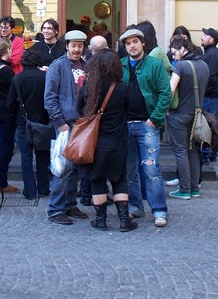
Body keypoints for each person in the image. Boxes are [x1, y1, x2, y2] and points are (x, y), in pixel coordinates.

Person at [77, 49, 137, 232]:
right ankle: (124, 221)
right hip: (118, 142)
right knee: (119, 180)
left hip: (96, 142)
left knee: (97, 179)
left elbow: (78, 108)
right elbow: (131, 109)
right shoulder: (121, 87)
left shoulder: (90, 86)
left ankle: (101, 220)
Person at [120, 27, 171, 227]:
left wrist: (154, 118)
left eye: (135, 42)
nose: (132, 46)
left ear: (143, 44)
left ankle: (159, 210)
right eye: (128, 43)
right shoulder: (120, 65)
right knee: (129, 170)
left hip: (146, 125)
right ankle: (135, 207)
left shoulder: (155, 65)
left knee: (151, 170)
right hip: (125, 125)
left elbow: (165, 93)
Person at [44, 29, 89, 225]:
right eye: (74, 46)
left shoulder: (86, 65)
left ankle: (69, 204)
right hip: (65, 124)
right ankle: (55, 209)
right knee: (62, 169)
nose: (77, 49)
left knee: (75, 168)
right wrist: (59, 122)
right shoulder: (58, 66)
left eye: (80, 46)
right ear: (67, 46)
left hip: (81, 125)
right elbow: (50, 97)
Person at [165, 36, 209, 200]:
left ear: (183, 49)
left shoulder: (181, 66)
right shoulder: (204, 65)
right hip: (197, 115)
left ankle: (184, 189)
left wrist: (166, 109)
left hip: (179, 116)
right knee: (193, 151)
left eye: (174, 51)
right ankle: (194, 188)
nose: (173, 55)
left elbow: (170, 90)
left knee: (181, 151)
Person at [9, 48, 50, 200]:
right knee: (42, 155)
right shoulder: (45, 77)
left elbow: (10, 103)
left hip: (23, 121)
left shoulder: (17, 78)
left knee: (26, 157)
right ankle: (44, 188)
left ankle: (30, 191)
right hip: (42, 121)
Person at [0, 38, 19, 193]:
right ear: (8, 51)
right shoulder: (7, 71)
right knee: (6, 147)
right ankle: (1, 181)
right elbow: (15, 92)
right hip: (6, 112)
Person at [200, 27, 218, 163]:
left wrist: (203, 91)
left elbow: (211, 76)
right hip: (208, 94)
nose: (201, 37)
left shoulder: (212, 54)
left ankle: (207, 153)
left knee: (208, 125)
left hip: (208, 95)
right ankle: (208, 152)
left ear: (211, 39)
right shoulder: (210, 53)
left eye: (204, 35)